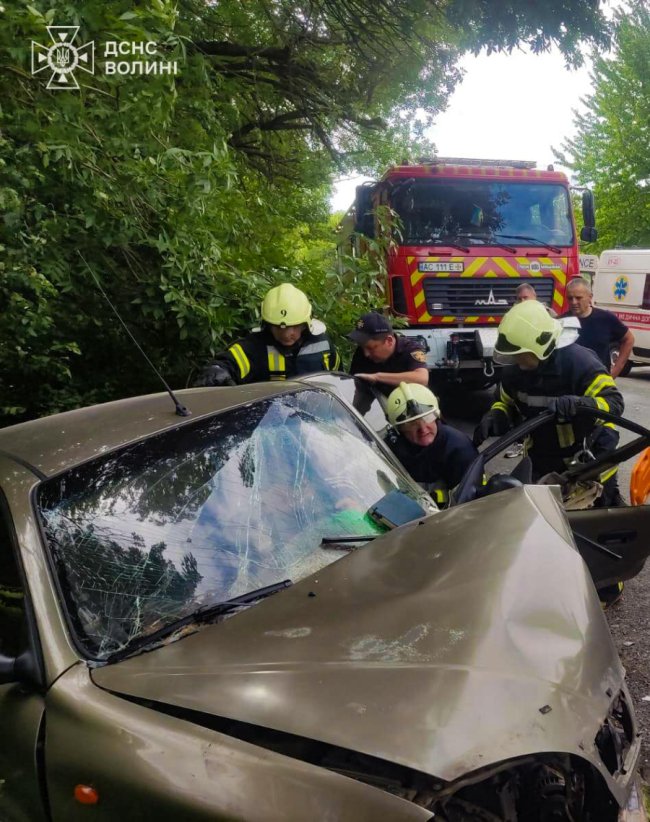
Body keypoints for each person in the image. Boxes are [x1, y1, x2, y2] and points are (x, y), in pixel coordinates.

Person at [474, 300, 625, 605]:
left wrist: (582, 404)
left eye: (522, 354)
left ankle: (608, 590)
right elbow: (505, 400)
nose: (517, 360)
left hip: (589, 460)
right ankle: (560, 585)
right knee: (551, 526)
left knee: (594, 530)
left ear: (541, 344)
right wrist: (497, 415)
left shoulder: (580, 363)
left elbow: (615, 404)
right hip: (545, 458)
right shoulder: (517, 372)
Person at [194, 283, 340, 386]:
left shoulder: (323, 343)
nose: (286, 334)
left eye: (294, 326)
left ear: (305, 323)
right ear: (267, 324)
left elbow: (338, 378)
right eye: (278, 327)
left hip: (318, 421)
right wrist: (218, 370)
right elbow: (230, 361)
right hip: (270, 424)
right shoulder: (256, 346)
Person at [385, 383, 478, 507]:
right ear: (399, 429)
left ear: (437, 415)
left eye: (428, 417)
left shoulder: (459, 449)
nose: (423, 429)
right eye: (411, 424)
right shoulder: (390, 449)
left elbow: (473, 502)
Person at [565, 277, 634, 379]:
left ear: (590, 297)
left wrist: (616, 370)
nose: (574, 302)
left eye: (578, 298)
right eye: (570, 298)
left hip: (598, 383)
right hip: (568, 384)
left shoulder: (606, 318)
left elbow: (629, 339)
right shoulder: (561, 322)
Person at [348, 312, 428, 396]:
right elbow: (351, 385)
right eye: (362, 347)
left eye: (370, 348)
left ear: (389, 341)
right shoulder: (361, 354)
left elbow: (422, 378)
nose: (366, 354)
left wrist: (377, 377)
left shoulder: (410, 349)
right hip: (375, 408)